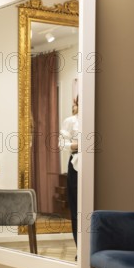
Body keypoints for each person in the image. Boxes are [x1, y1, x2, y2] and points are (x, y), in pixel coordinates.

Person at [60, 97, 79, 251]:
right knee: (77, 206)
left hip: (94, 164)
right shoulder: (71, 121)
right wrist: (78, 145)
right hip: (76, 164)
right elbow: (62, 143)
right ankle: (80, 248)